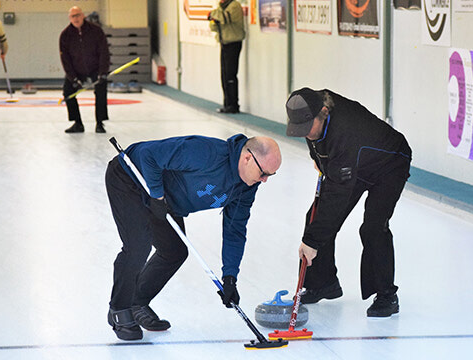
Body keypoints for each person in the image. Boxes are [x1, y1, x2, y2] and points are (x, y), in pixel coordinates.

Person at [105, 134, 282, 340]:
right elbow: (147, 155)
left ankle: (137, 302)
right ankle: (118, 309)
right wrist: (157, 195)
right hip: (131, 179)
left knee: (174, 251)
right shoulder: (206, 153)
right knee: (137, 247)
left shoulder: (246, 188)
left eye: (271, 175)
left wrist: (230, 277)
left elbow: (235, 231)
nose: (265, 180)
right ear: (247, 158)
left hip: (163, 199)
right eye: (263, 173)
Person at [285, 88, 412, 318]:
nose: (305, 134)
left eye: (306, 128)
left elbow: (336, 196)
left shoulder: (346, 132)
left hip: (390, 163)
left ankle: (386, 295)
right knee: (314, 217)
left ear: (322, 113)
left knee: (373, 226)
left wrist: (311, 241)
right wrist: (320, 161)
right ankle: (323, 284)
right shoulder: (310, 109)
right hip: (356, 161)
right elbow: (317, 145)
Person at [59, 6, 110, 133]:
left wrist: (103, 72)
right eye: (73, 16)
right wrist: (73, 78)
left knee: (101, 90)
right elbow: (65, 60)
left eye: (77, 15)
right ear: (69, 18)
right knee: (68, 93)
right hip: (76, 71)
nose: (75, 18)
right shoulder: (65, 36)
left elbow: (104, 52)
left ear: (83, 15)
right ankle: (77, 123)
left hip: (95, 69)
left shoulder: (96, 31)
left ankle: (100, 123)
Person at [209, 0, 245, 114]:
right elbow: (213, 26)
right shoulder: (220, 8)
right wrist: (214, 18)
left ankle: (234, 104)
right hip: (223, 43)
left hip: (233, 43)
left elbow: (225, 18)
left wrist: (213, 15)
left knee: (230, 74)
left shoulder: (235, 5)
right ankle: (227, 103)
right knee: (224, 74)